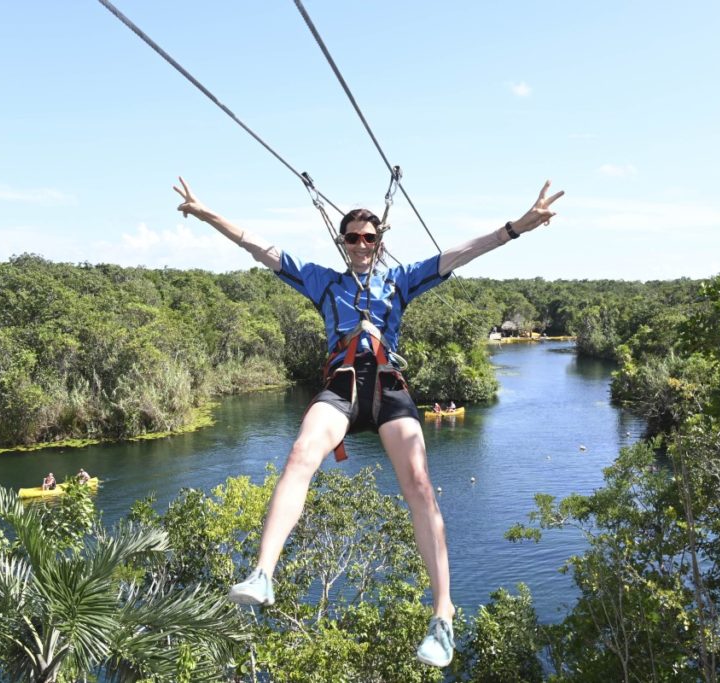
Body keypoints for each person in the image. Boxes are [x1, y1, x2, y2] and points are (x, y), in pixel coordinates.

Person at [173, 176, 562, 668]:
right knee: (299, 454)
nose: (361, 244)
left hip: (387, 387)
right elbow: (259, 248)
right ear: (342, 242)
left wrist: (518, 226)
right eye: (352, 237)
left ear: (380, 245)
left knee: (420, 483)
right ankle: (263, 573)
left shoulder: (400, 281)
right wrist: (207, 214)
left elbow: (462, 253)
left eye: (369, 238)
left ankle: (443, 615)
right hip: (341, 387)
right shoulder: (323, 281)